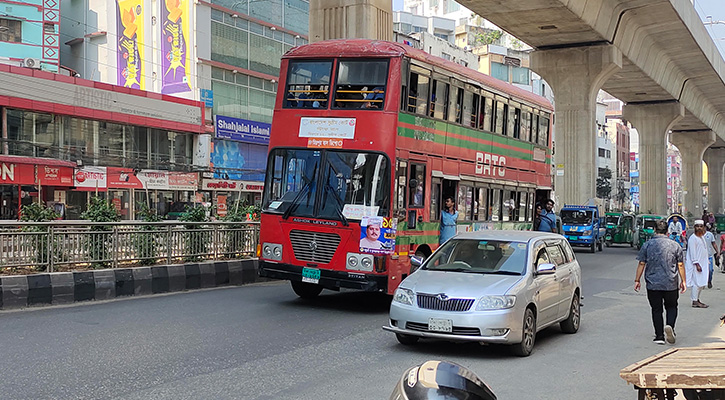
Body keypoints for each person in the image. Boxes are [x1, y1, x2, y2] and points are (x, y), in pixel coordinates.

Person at [634, 219, 686, 345]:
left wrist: (637, 280)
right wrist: (683, 281)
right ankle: (670, 327)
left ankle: (659, 336)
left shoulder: (647, 245)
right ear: (668, 230)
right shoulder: (675, 245)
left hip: (653, 283)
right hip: (671, 283)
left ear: (655, 230)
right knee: (672, 306)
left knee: (656, 309)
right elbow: (680, 265)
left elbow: (642, 263)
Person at [686, 220, 710, 308]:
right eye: (697, 226)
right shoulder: (693, 238)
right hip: (696, 264)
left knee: (701, 283)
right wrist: (696, 263)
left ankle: (697, 299)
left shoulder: (701, 237)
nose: (699, 228)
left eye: (701, 226)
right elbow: (692, 252)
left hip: (702, 263)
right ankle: (695, 301)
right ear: (694, 227)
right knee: (696, 283)